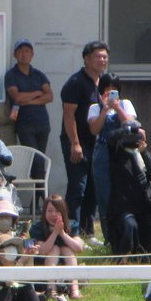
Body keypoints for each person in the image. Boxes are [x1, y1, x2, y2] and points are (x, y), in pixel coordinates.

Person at [60, 40, 109, 239]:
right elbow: (68, 115)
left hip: (96, 143)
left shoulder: (103, 83)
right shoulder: (75, 82)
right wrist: (75, 143)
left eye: (105, 56)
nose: (102, 60)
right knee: (77, 188)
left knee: (93, 188)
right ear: (86, 59)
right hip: (77, 142)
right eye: (98, 56)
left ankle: (88, 231)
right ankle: (72, 231)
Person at [103, 123, 151, 261]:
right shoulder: (117, 156)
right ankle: (124, 258)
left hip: (144, 206)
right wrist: (131, 130)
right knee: (130, 224)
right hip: (124, 208)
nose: (133, 140)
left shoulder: (142, 154)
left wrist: (144, 152)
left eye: (136, 137)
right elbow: (111, 138)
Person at [87, 73, 136, 228]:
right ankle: (108, 234)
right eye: (106, 89)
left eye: (113, 89)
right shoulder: (95, 107)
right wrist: (105, 110)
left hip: (123, 151)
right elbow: (94, 130)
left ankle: (125, 229)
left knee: (125, 191)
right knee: (104, 194)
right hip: (102, 151)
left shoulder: (126, 104)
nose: (110, 92)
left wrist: (117, 108)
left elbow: (131, 125)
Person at [3, 38, 53, 178]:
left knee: (40, 159)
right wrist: (37, 93)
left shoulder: (38, 75)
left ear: (32, 54)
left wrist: (29, 101)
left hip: (42, 122)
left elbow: (49, 96)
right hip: (24, 124)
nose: (24, 54)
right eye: (20, 51)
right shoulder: (11, 75)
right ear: (15, 54)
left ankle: (37, 197)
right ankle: (40, 195)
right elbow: (17, 98)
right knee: (35, 158)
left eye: (27, 51)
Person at [29, 194, 85, 301]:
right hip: (43, 267)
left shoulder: (71, 224)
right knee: (54, 248)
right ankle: (52, 289)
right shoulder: (38, 228)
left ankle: (74, 289)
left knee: (67, 249)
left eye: (57, 211)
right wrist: (55, 233)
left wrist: (63, 233)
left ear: (63, 212)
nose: (53, 214)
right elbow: (42, 251)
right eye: (49, 211)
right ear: (44, 212)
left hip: (66, 265)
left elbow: (79, 248)